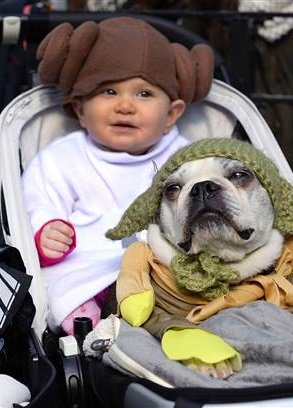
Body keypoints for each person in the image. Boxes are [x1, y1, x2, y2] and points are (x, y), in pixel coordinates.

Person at [22, 17, 214, 335]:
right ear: (80, 109)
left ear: (171, 115)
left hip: (165, 266)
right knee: (56, 291)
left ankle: (182, 324)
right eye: (109, 91)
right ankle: (93, 332)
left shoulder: (189, 157)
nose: (125, 106)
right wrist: (46, 233)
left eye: (144, 94)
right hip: (89, 268)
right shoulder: (61, 158)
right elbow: (38, 203)